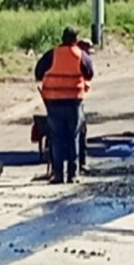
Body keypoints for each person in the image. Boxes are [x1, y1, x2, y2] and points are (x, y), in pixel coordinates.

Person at [34, 27, 93, 185]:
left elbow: (38, 72)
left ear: (62, 38)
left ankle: (58, 175)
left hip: (53, 103)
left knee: (57, 138)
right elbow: (89, 73)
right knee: (73, 137)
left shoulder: (52, 54)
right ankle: (73, 175)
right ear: (76, 39)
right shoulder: (80, 55)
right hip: (73, 102)